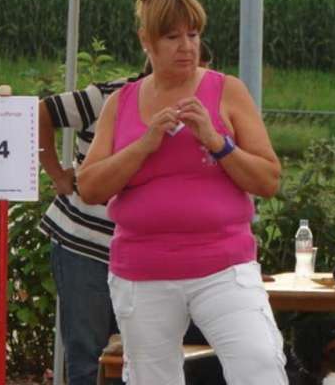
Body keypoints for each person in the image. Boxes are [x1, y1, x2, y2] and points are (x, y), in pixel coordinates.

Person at [78, 0, 288, 385]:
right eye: (172, 37)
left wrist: (216, 141)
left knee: (259, 362)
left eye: (193, 34)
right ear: (146, 41)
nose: (187, 47)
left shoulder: (228, 91)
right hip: (142, 270)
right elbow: (90, 187)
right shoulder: (120, 103)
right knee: (151, 377)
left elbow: (268, 179)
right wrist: (145, 144)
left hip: (223, 265)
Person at [38, 43, 213, 385]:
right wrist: (57, 174)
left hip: (146, 251)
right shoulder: (110, 95)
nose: (196, 77)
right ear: (154, 55)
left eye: (203, 70)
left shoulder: (203, 112)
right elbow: (42, 113)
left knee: (141, 352)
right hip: (85, 243)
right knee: (88, 353)